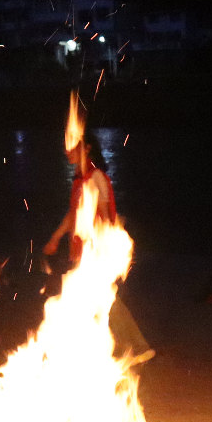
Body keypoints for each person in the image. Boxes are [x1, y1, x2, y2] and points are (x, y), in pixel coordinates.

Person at [42, 133, 152, 361]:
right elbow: (73, 214)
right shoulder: (80, 179)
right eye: (67, 147)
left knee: (98, 298)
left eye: (73, 147)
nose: (67, 152)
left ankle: (136, 347)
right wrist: (55, 238)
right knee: (97, 298)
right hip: (82, 251)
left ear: (87, 148)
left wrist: (102, 247)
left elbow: (105, 215)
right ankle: (129, 347)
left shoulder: (96, 176)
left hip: (94, 251)